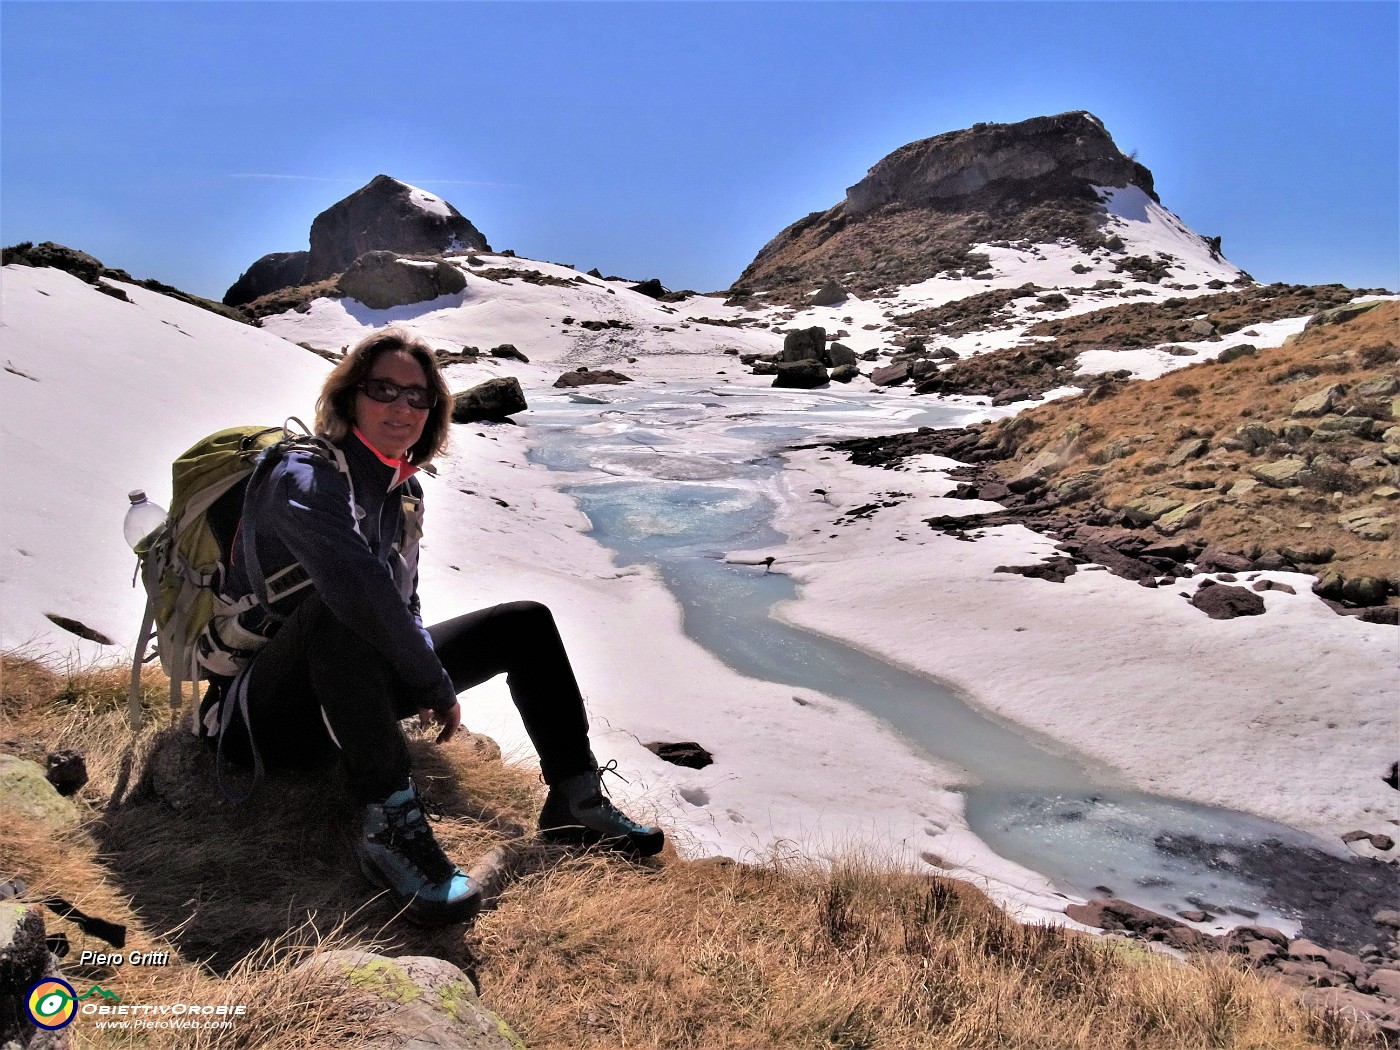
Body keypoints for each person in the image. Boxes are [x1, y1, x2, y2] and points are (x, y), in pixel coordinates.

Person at [196, 326, 663, 926]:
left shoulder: (402, 488)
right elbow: (361, 595)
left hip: (344, 690)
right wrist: (434, 684)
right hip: (260, 716)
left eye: (418, 397)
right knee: (335, 614)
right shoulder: (302, 477)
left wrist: (421, 671)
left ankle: (574, 796)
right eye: (384, 390)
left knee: (525, 624)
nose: (402, 407)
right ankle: (389, 822)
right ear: (348, 398)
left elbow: (403, 603)